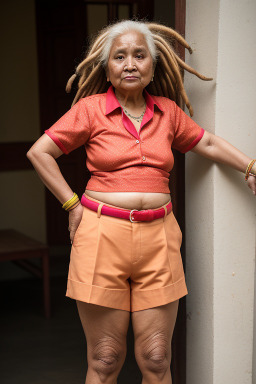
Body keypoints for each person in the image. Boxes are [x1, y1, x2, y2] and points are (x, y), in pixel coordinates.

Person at [27, 19, 256, 384]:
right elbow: (40, 152)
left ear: (153, 66)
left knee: (156, 357)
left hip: (159, 238)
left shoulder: (167, 113)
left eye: (139, 55)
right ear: (107, 68)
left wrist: (250, 165)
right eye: (119, 57)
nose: (130, 64)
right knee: (105, 359)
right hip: (101, 235)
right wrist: (72, 204)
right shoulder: (89, 110)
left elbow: (207, 143)